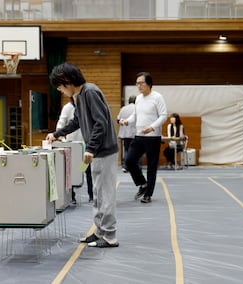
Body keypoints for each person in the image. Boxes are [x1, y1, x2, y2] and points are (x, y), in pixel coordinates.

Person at [46, 62, 119, 248]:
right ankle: (100, 231)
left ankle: (110, 235)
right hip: (96, 152)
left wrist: (91, 148)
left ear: (67, 81)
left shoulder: (90, 92)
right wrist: (57, 134)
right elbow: (77, 121)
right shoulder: (78, 97)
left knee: (105, 193)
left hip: (103, 151)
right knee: (97, 193)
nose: (60, 90)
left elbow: (100, 123)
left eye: (60, 86)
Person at [119, 72, 167, 204]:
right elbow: (135, 115)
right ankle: (142, 183)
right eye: (137, 83)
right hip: (139, 136)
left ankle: (148, 194)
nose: (139, 85)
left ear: (149, 84)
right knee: (129, 161)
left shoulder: (157, 97)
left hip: (153, 137)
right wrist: (127, 121)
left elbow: (163, 115)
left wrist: (152, 127)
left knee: (151, 167)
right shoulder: (138, 99)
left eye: (141, 83)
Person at [56, 100, 94, 203]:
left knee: (87, 170)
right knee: (71, 171)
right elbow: (61, 123)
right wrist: (59, 134)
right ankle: (72, 195)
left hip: (85, 145)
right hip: (71, 145)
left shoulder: (86, 106)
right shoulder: (68, 107)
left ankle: (91, 195)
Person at [116, 95, 138, 173]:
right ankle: (135, 166)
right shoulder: (137, 108)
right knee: (136, 150)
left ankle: (125, 166)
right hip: (135, 133)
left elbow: (118, 120)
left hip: (125, 133)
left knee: (126, 149)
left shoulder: (123, 108)